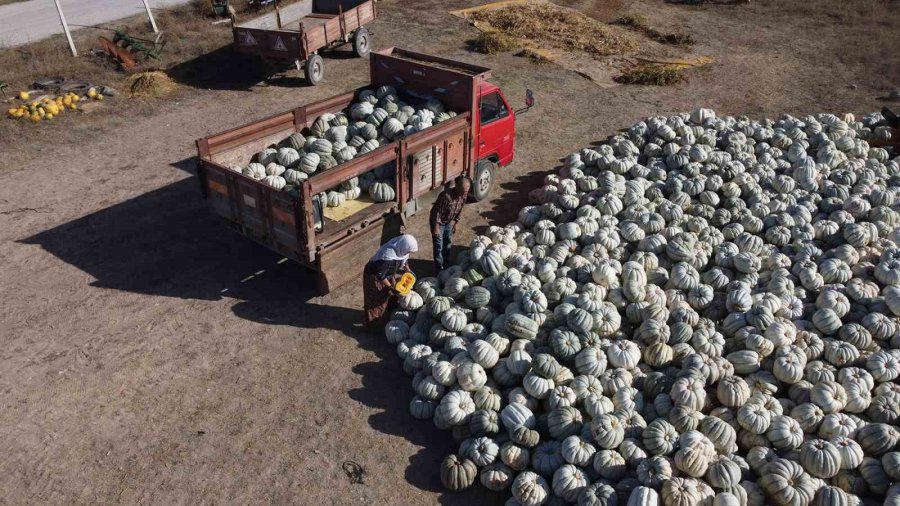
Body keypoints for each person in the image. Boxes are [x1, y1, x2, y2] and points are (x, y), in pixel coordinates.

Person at [362, 234, 418, 328]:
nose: (408, 252)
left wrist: (408, 270)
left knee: (390, 298)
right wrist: (391, 287)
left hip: (388, 274)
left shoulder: (401, 249)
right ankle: (373, 326)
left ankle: (386, 319)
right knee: (377, 302)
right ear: (404, 246)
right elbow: (380, 275)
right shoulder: (387, 256)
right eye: (408, 250)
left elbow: (404, 261)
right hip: (374, 276)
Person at [430, 176, 471, 272]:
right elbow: (437, 213)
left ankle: (446, 264)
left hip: (448, 221)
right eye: (464, 191)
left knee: (447, 242)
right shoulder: (446, 196)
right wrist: (436, 228)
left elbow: (459, 210)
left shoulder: (463, 196)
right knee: (438, 246)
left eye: (467, 191)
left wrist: (456, 223)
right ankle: (439, 269)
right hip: (438, 223)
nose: (465, 193)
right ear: (457, 187)